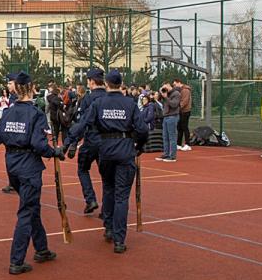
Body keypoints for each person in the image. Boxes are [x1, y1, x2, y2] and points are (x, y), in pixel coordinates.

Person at [0, 71, 65, 274]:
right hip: (29, 167)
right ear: (31, 88)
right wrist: (54, 152)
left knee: (31, 206)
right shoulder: (35, 114)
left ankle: (42, 248)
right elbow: (39, 144)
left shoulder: (8, 112)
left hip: (12, 166)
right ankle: (16, 260)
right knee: (27, 212)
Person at [66, 70, 148, 253]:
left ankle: (109, 227)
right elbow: (142, 129)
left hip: (106, 150)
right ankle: (119, 239)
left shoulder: (99, 103)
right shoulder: (130, 103)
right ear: (120, 84)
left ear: (107, 84)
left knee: (109, 188)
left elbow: (83, 123)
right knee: (121, 196)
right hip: (125, 150)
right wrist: (139, 146)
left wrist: (68, 142)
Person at [62, 68, 106, 215]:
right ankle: (106, 208)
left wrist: (71, 143)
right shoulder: (109, 97)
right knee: (107, 177)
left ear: (91, 81)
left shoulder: (87, 99)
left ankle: (90, 199)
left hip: (91, 140)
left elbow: (82, 123)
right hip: (107, 142)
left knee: (83, 169)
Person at [158, 82, 181, 162]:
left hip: (172, 116)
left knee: (172, 137)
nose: (165, 89)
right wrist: (161, 93)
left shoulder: (176, 93)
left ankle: (172, 156)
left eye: (165, 87)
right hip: (166, 117)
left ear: (169, 85)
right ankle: (166, 154)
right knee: (165, 137)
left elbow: (174, 105)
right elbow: (158, 99)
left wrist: (166, 97)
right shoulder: (165, 93)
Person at [173, 78, 193, 151]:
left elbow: (184, 101)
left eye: (175, 84)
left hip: (185, 111)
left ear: (179, 83)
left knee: (184, 127)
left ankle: (187, 144)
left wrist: (177, 107)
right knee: (179, 128)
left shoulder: (185, 90)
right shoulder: (180, 90)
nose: (174, 86)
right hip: (181, 111)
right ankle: (178, 144)